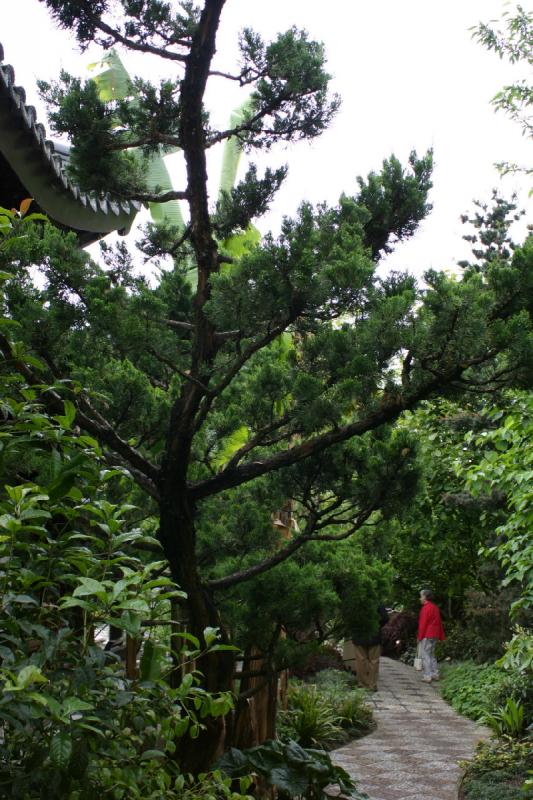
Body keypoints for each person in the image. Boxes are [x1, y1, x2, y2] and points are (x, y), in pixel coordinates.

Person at [351, 604, 389, 691]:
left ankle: (362, 684)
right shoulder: (377, 601)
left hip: (359, 634)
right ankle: (372, 685)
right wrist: (377, 625)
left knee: (360, 660)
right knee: (374, 661)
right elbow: (385, 618)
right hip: (374, 635)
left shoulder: (356, 600)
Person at [417, 588, 445, 683]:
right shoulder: (435, 607)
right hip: (435, 634)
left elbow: (423, 624)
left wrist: (420, 636)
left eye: (421, 596)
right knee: (432, 654)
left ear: (425, 597)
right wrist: (441, 635)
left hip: (427, 634)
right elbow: (439, 622)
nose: (420, 598)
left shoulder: (425, 608)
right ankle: (435, 674)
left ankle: (427, 676)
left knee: (426, 655)